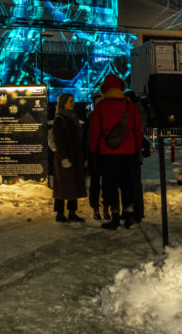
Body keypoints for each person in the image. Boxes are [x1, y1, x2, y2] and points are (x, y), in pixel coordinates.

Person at [89, 74, 142, 230]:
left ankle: (115, 216)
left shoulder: (101, 107)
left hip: (107, 153)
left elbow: (95, 132)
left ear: (104, 89)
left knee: (110, 185)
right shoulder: (129, 106)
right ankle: (129, 214)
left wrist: (93, 152)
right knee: (127, 183)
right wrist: (137, 148)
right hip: (128, 152)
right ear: (121, 88)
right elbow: (137, 130)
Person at [51, 93, 87, 222]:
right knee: (62, 185)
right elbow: (59, 140)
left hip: (74, 156)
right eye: (70, 101)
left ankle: (72, 211)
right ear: (63, 103)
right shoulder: (60, 119)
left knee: (73, 184)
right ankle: (60, 213)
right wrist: (63, 157)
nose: (73, 103)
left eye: (73, 101)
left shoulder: (72, 117)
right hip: (64, 157)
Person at [124, 91, 148, 224]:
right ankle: (136, 211)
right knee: (134, 181)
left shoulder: (135, 112)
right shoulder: (139, 111)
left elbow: (137, 131)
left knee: (133, 182)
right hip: (134, 151)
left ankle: (137, 211)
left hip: (133, 151)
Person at [85, 93, 109, 221]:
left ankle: (102, 208)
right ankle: (98, 208)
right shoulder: (91, 118)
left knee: (103, 183)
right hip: (97, 154)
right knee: (98, 183)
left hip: (100, 153)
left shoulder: (94, 118)